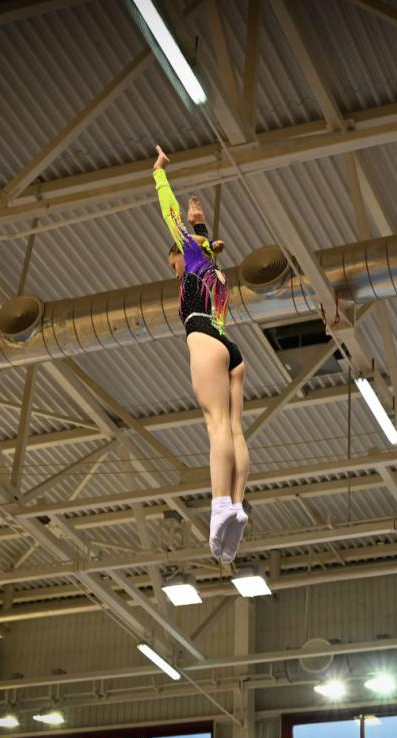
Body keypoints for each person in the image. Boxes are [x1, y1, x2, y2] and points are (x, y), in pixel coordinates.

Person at [152, 145, 249, 562]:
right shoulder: (217, 273)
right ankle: (238, 503)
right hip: (232, 351)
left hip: (206, 340)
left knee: (215, 426)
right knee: (235, 428)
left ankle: (221, 505)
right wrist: (202, 224)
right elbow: (202, 244)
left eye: (172, 260)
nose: (172, 267)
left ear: (182, 250)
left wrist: (159, 175)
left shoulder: (191, 256)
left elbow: (168, 212)